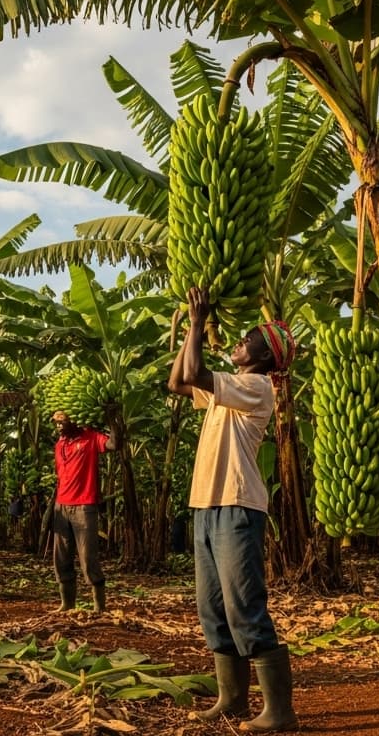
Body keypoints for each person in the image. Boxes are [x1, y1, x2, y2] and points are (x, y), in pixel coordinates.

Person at [167, 287, 297, 734]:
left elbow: (197, 371)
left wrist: (200, 322)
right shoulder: (231, 388)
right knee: (212, 607)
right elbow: (179, 381)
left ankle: (279, 710)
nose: (241, 342)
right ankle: (232, 698)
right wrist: (190, 326)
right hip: (206, 503)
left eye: (251, 339)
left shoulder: (256, 387)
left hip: (238, 504)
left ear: (267, 356)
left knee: (244, 606)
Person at [50, 409, 110, 612]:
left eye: (62, 422)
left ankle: (99, 606)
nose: (58, 426)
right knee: (61, 556)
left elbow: (113, 444)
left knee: (88, 557)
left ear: (74, 421)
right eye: (56, 423)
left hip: (84, 506)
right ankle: (67, 604)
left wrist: (113, 418)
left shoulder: (90, 437)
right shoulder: (59, 444)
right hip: (61, 505)